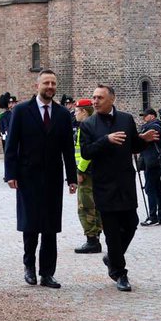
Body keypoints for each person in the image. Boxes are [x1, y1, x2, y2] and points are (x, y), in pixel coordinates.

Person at [78, 84, 159, 291]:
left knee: (131, 223)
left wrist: (145, 141)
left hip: (125, 182)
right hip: (104, 185)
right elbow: (87, 152)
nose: (95, 101)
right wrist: (106, 140)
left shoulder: (125, 119)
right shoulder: (88, 125)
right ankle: (119, 273)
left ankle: (113, 257)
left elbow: (132, 146)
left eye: (99, 98)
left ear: (111, 99)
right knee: (112, 231)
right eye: (94, 97)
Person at [3, 69, 78, 289]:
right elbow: (11, 145)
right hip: (28, 176)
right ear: (38, 86)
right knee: (30, 224)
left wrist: (71, 178)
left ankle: (47, 273)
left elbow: (67, 149)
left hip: (53, 177)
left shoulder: (63, 114)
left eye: (53, 83)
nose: (50, 87)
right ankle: (29, 267)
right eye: (46, 83)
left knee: (50, 226)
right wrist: (11, 174)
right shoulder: (21, 111)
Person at [71, 98, 102, 254]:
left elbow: (86, 152)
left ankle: (92, 240)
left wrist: (80, 171)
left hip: (86, 172)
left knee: (86, 206)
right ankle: (96, 237)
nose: (75, 114)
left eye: (76, 111)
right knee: (95, 206)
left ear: (83, 111)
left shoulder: (85, 126)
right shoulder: (96, 123)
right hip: (95, 171)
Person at [138, 108, 161, 226]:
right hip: (152, 161)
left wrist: (140, 135)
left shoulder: (153, 127)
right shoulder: (156, 126)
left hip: (152, 161)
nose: (143, 119)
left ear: (152, 116)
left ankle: (153, 216)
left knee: (150, 189)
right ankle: (160, 216)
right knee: (157, 188)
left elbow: (140, 139)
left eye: (145, 116)